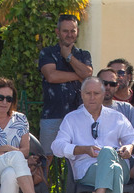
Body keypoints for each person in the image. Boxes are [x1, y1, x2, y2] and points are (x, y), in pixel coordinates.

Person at [54, 77, 134, 193]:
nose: (92, 97)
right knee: (114, 169)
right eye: (88, 93)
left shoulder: (117, 117)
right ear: (81, 95)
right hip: (88, 169)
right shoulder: (71, 119)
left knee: (108, 152)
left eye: (96, 93)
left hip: (117, 165)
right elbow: (57, 146)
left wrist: (131, 147)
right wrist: (83, 149)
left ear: (104, 95)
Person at [38, 14, 92, 155]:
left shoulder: (84, 54)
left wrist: (69, 56)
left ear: (77, 31)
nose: (69, 35)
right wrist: (79, 75)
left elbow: (87, 74)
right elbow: (51, 76)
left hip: (79, 115)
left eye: (72, 31)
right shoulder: (47, 52)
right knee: (46, 158)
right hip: (52, 114)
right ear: (58, 32)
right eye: (65, 31)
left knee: (79, 157)